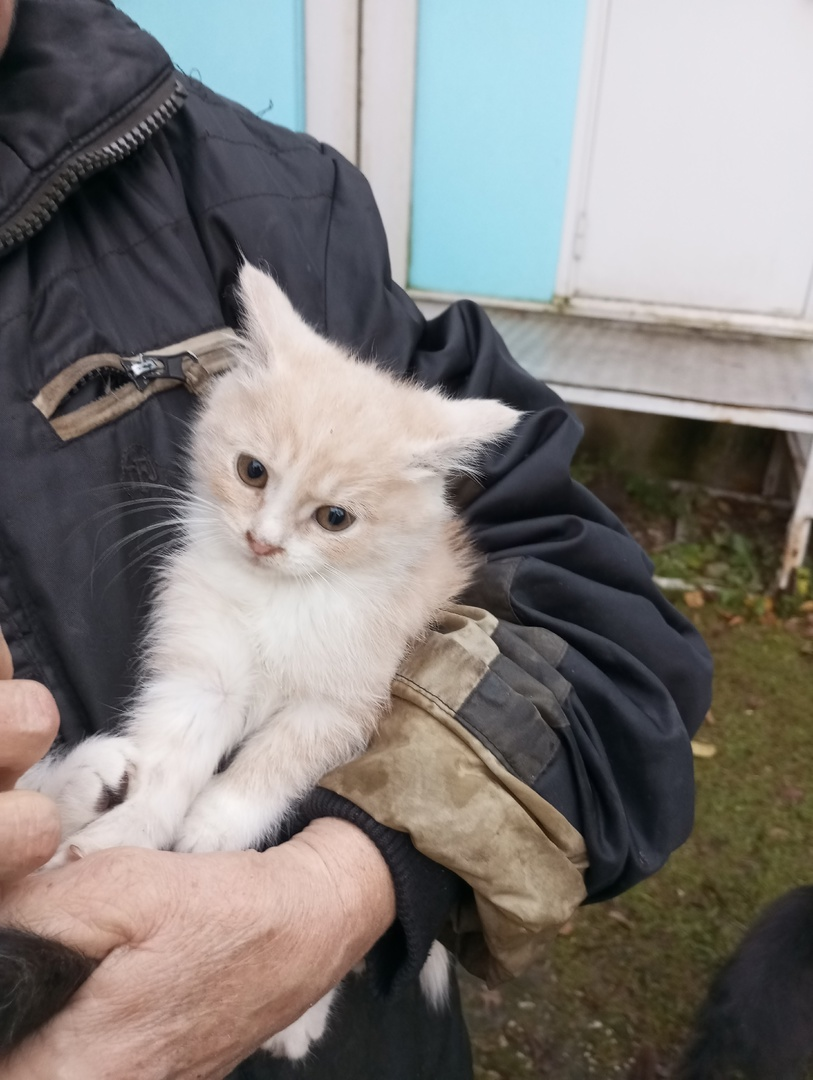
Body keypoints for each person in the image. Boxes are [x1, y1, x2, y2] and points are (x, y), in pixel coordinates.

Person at [0, 0, 713, 1076]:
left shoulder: (261, 195)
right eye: (250, 476)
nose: (266, 537)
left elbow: (613, 650)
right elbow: (194, 691)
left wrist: (338, 893)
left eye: (326, 516)